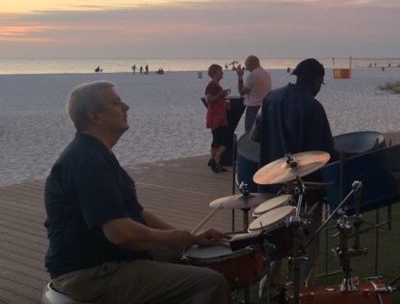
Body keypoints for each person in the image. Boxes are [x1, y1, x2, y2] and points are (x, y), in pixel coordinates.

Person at [44, 81, 229, 304]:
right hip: (90, 274)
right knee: (210, 282)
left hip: (106, 261)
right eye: (116, 103)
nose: (126, 107)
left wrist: (189, 237)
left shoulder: (97, 153)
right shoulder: (86, 161)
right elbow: (120, 233)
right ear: (95, 116)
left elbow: (137, 215)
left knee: (188, 258)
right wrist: (171, 239)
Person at [253, 58, 334, 293]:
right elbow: (325, 152)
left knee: (276, 236)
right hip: (305, 188)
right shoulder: (313, 107)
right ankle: (305, 287)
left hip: (270, 181)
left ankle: (267, 285)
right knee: (307, 238)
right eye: (320, 82)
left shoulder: (271, 98)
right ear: (316, 80)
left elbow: (257, 136)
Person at [236, 55, 272, 132]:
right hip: (265, 108)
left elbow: (242, 92)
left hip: (254, 108)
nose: (246, 68)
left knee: (250, 133)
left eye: (247, 65)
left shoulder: (253, 75)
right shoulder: (267, 73)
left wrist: (240, 77)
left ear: (253, 64)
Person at [205, 64, 230, 172]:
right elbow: (209, 100)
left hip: (219, 115)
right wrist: (222, 94)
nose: (222, 73)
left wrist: (225, 102)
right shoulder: (212, 86)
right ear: (215, 73)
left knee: (217, 140)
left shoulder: (216, 85)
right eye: (221, 71)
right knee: (224, 141)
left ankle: (216, 162)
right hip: (215, 116)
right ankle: (215, 160)